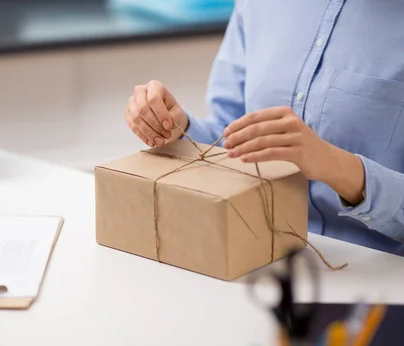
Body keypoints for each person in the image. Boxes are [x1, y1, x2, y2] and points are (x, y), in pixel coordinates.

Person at [124, 1, 404, 257]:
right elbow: (228, 132)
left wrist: (339, 168)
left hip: (378, 284)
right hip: (256, 260)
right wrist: (180, 129)